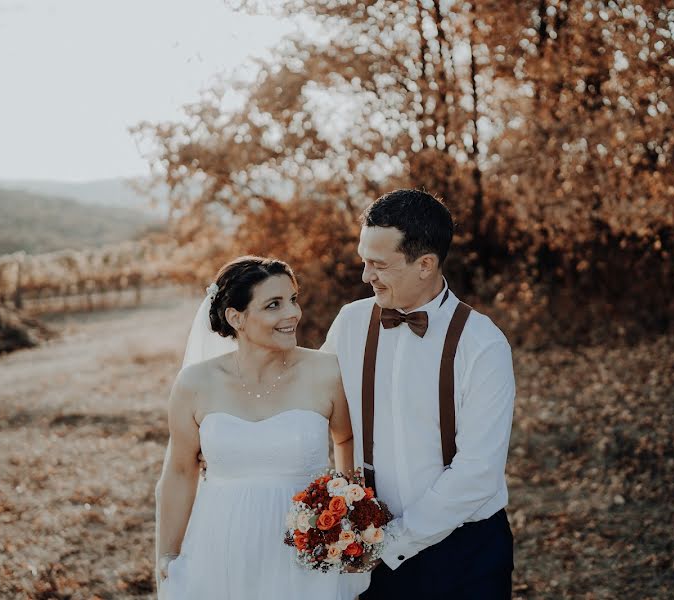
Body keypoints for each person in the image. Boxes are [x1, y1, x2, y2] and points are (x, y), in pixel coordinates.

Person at [322, 189, 516, 599]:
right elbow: (313, 409)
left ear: (425, 264)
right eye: (363, 260)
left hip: (467, 553)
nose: (364, 276)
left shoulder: (483, 344)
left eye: (378, 265)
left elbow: (477, 473)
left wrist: (392, 542)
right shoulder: (350, 324)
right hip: (369, 552)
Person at [154, 256, 369, 600]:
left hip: (304, 551)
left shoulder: (327, 372)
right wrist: (168, 555)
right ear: (236, 318)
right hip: (219, 548)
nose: (292, 314)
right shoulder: (195, 383)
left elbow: (346, 439)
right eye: (273, 305)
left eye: (293, 299)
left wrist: (348, 513)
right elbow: (180, 471)